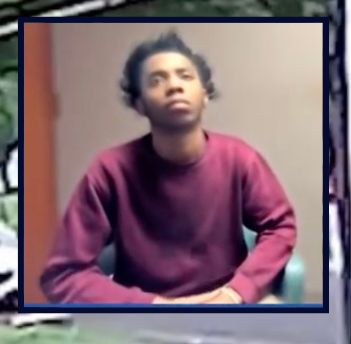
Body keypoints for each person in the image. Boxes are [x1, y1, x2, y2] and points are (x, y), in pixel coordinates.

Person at [39, 30, 297, 305]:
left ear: (205, 94)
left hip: (226, 302)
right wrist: (152, 305)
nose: (174, 86)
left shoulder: (239, 158)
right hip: (147, 315)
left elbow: (280, 225)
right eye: (156, 80)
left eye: (185, 76)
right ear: (139, 105)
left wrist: (237, 291)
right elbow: (61, 275)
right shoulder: (109, 170)